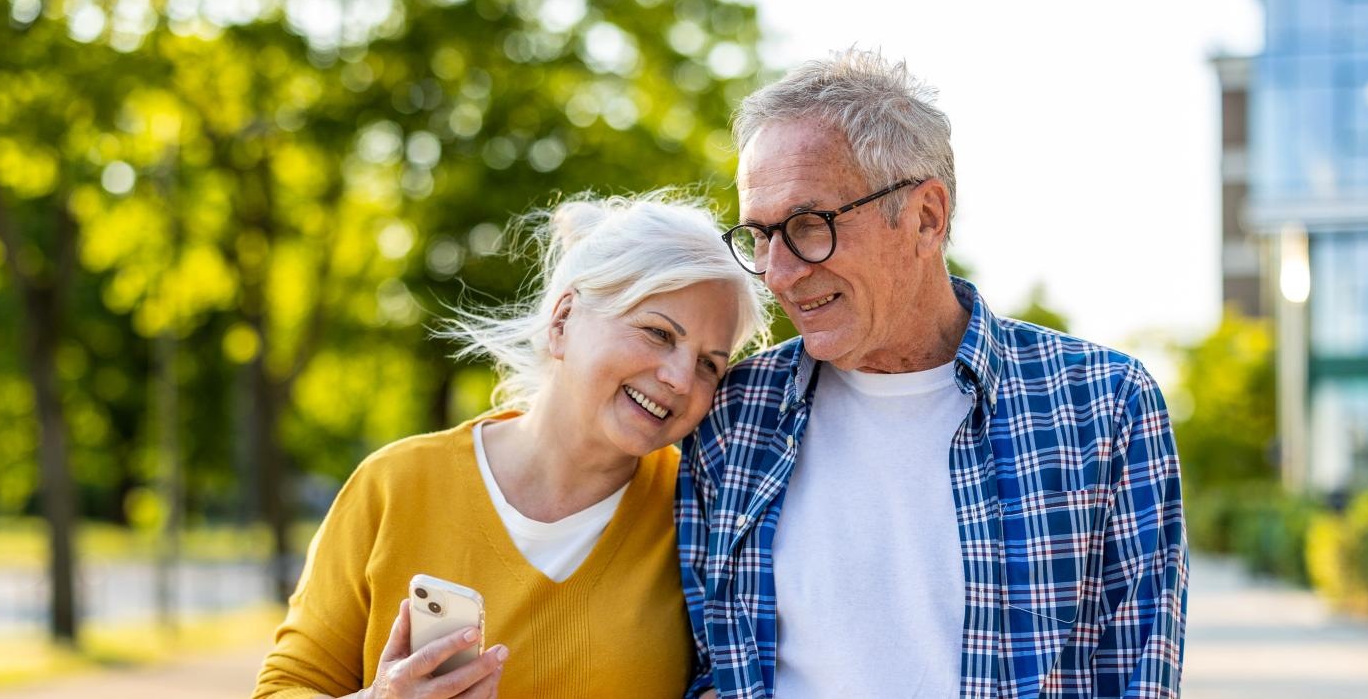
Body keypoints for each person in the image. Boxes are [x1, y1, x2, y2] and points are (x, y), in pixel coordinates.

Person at [677, 48, 1187, 698]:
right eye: (759, 235)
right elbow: (703, 674)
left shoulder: (1103, 405)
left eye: (809, 226)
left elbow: (1138, 676)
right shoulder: (730, 416)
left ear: (925, 216)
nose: (778, 273)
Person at [254, 192, 769, 699]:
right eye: (658, 334)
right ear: (564, 319)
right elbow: (286, 685)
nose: (681, 378)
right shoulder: (395, 486)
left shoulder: (702, 517)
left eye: (709, 364)